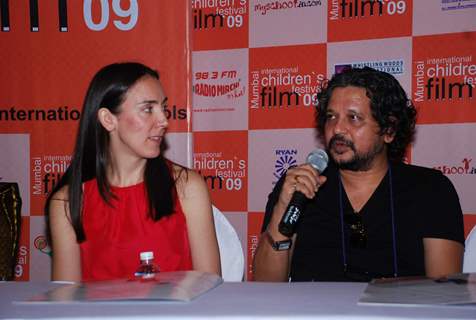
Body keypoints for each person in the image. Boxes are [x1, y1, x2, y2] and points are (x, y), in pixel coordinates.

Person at [253, 67, 464, 282]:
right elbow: (265, 285)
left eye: (353, 118)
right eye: (331, 117)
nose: (337, 129)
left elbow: (443, 296)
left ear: (389, 130)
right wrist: (282, 209)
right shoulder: (300, 185)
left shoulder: (431, 190)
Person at [46, 62, 221, 282]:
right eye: (148, 109)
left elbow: (209, 289)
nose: (164, 121)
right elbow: (66, 302)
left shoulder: (186, 186)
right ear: (108, 120)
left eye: (163, 108)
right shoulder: (67, 203)